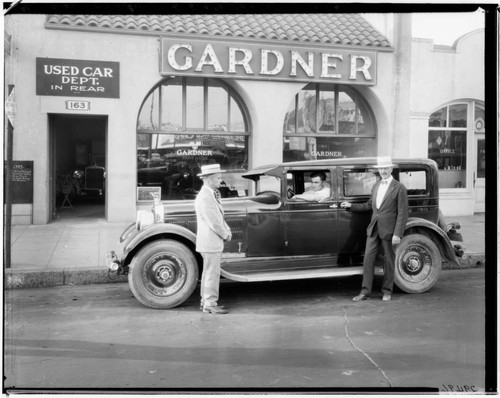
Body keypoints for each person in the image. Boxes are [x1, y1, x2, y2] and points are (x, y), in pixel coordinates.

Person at [340, 157, 408, 302]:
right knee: (368, 260)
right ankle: (365, 292)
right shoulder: (376, 186)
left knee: (389, 261)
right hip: (373, 229)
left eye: (385, 168)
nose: (383, 171)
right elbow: (369, 205)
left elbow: (402, 212)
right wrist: (351, 206)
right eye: (380, 168)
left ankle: (387, 291)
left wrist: (398, 233)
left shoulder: (399, 187)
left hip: (389, 230)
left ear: (391, 169)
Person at [194, 164, 232, 314]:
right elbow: (214, 221)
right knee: (212, 273)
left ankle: (205, 301)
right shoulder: (205, 197)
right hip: (210, 241)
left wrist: (225, 229)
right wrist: (225, 234)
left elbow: (218, 217)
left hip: (208, 241)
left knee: (208, 272)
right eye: (218, 178)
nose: (220, 181)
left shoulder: (209, 194)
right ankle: (210, 303)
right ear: (209, 179)